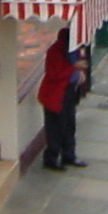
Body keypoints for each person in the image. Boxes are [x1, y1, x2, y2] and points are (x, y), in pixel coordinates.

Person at [38, 28, 89, 169]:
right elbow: (55, 73)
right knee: (55, 127)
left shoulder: (75, 50)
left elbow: (79, 62)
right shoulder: (55, 51)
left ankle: (69, 155)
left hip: (69, 91)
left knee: (69, 124)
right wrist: (73, 67)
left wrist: (79, 71)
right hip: (55, 94)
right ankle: (51, 158)